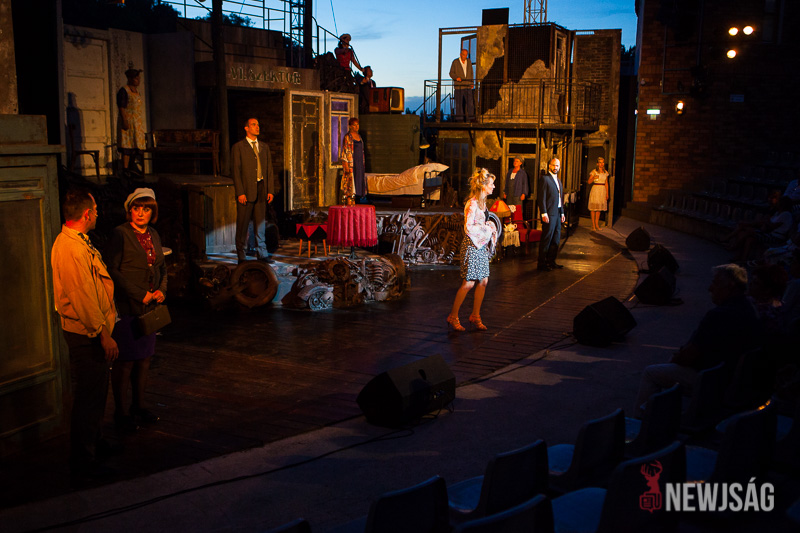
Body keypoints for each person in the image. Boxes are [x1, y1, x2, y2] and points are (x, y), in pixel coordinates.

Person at [51, 188, 119, 479]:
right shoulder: (72, 249)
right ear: (88, 214)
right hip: (86, 333)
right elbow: (83, 297)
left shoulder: (76, 242)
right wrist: (103, 334)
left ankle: (95, 441)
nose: (98, 215)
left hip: (91, 329)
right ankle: (83, 461)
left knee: (96, 391)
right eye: (96, 211)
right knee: (88, 396)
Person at [632, 264, 759, 417]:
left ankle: (640, 421)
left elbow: (689, 356)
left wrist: (676, 358)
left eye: (715, 283)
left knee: (651, 373)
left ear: (730, 287)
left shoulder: (719, 316)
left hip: (711, 378)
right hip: (729, 376)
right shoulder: (748, 308)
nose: (710, 288)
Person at [107, 188, 167, 433]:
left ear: (152, 211)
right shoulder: (120, 234)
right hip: (128, 307)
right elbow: (112, 270)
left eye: (146, 209)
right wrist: (139, 293)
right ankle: (120, 413)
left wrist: (162, 290)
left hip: (149, 309)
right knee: (125, 362)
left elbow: (161, 267)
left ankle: (138, 406)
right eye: (136, 208)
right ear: (129, 210)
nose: (141, 213)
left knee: (144, 359)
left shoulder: (153, 234)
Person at [447, 169, 498, 332]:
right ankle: (453, 316)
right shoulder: (473, 203)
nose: (494, 186)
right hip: (471, 245)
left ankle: (475, 315)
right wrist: (487, 228)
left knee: (483, 281)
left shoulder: (483, 204)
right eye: (491, 184)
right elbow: (468, 227)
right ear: (483, 186)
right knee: (468, 283)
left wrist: (488, 227)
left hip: (480, 246)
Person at [231, 117, 275, 264]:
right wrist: (240, 192)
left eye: (258, 124)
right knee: (243, 225)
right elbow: (236, 171)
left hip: (261, 189)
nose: (257, 127)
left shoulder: (264, 147)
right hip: (246, 190)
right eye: (253, 125)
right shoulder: (239, 147)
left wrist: (270, 190)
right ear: (246, 128)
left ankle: (262, 253)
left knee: (260, 223)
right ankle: (241, 255)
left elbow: (269, 170)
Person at [537, 157, 565, 271]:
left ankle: (551, 261)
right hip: (549, 213)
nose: (555, 167)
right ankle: (542, 264)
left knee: (556, 239)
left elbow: (560, 198)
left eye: (557, 165)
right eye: (553, 165)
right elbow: (541, 197)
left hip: (557, 213)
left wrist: (562, 213)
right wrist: (544, 213)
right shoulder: (545, 179)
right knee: (547, 238)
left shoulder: (559, 181)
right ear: (549, 166)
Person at [117, 65, 146, 172]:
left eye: (139, 79)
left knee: (135, 145)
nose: (138, 81)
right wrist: (124, 121)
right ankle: (125, 169)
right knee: (127, 145)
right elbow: (121, 107)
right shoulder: (124, 91)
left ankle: (132, 167)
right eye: (136, 78)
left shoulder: (137, 92)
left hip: (137, 123)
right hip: (128, 120)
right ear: (130, 79)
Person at [340, 117, 366, 204]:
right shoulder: (348, 137)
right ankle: (350, 201)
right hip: (351, 162)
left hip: (359, 163)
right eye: (354, 125)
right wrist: (345, 164)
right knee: (350, 182)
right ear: (350, 126)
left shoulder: (359, 137)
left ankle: (357, 201)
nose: (356, 126)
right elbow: (345, 151)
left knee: (358, 181)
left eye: (357, 124)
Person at [449, 49, 474, 122]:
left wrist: (471, 82)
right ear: (460, 54)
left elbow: (471, 73)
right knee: (459, 103)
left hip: (467, 85)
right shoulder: (455, 62)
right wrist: (456, 77)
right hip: (459, 86)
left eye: (466, 55)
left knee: (470, 103)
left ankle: (471, 118)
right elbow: (451, 73)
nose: (465, 56)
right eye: (463, 55)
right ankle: (459, 119)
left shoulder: (469, 61)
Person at [587, 157, 609, 231]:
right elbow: (589, 181)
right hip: (595, 189)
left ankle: (597, 224)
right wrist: (593, 178)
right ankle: (593, 225)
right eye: (600, 162)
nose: (601, 164)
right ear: (597, 164)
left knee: (599, 209)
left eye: (602, 162)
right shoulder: (594, 172)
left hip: (602, 190)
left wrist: (607, 193)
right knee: (593, 208)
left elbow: (606, 183)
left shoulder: (605, 172)